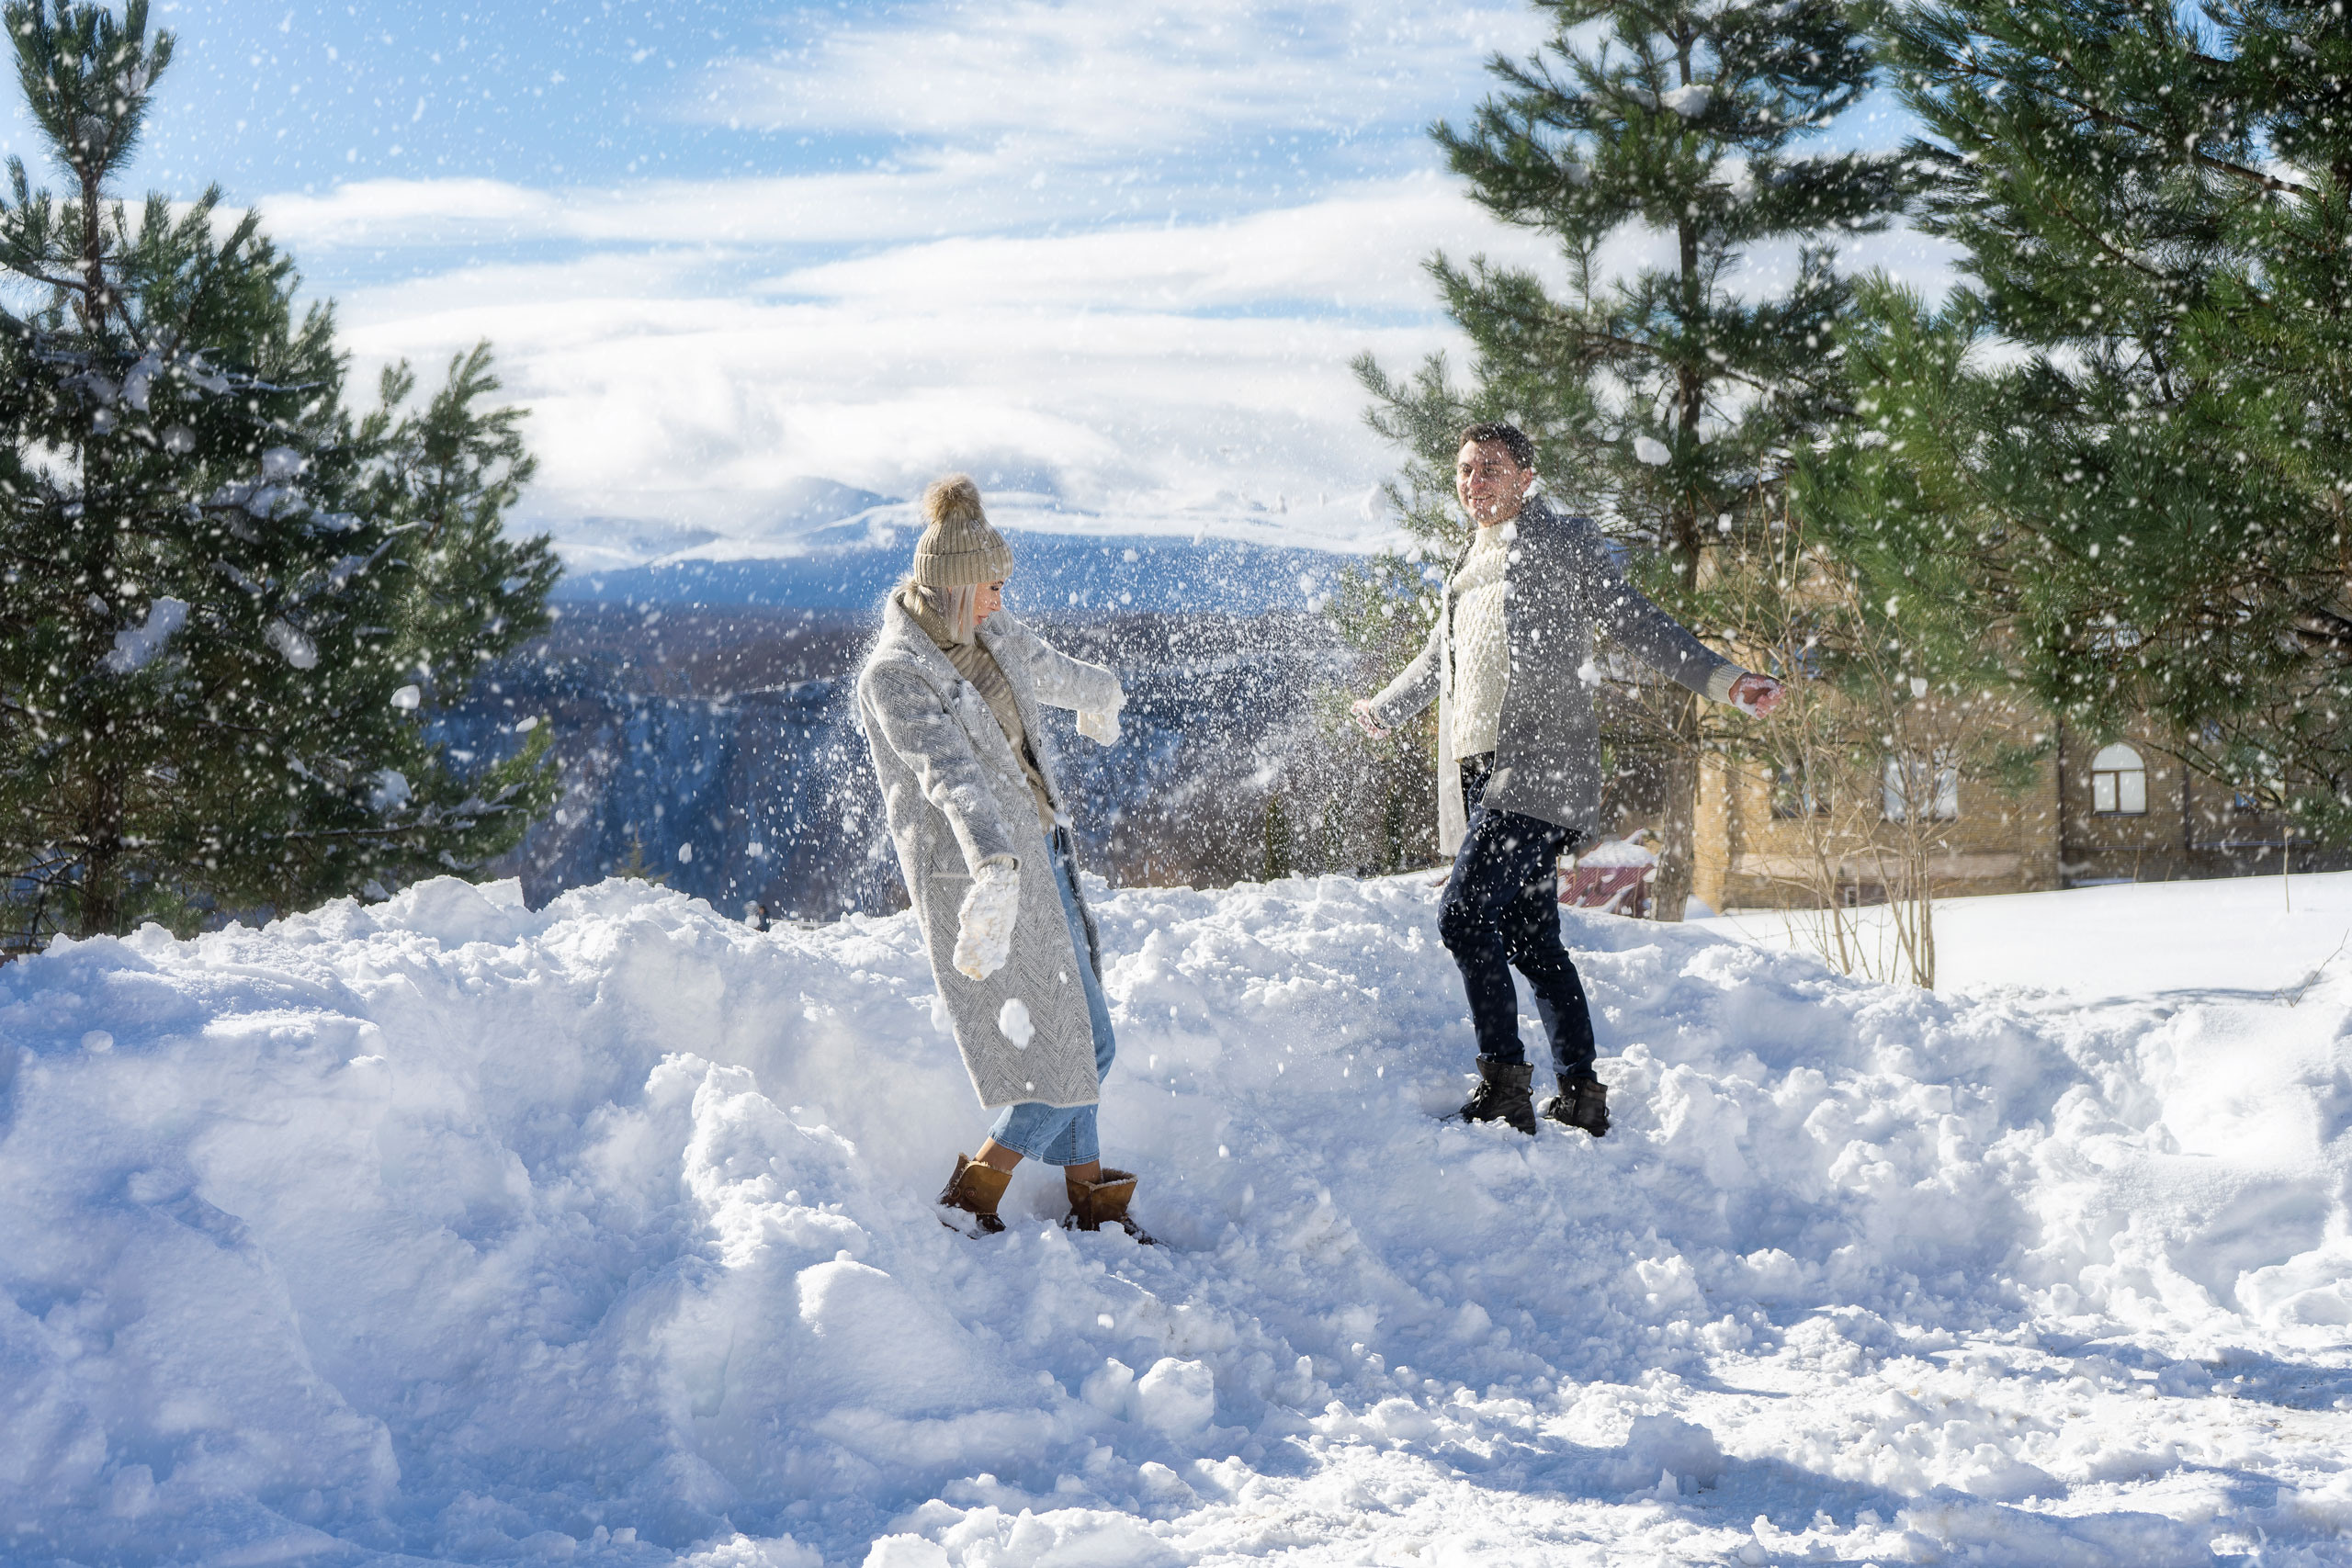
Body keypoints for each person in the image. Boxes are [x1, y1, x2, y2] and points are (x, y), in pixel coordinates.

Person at [1351, 423, 1785, 1136]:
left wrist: (1725, 679)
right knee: (1532, 940)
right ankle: (1581, 1093)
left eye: (1490, 468)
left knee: (1462, 915)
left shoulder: (1561, 543)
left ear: (1527, 477)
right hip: (1482, 773)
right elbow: (1441, 657)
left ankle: (1503, 1085)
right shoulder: (1466, 560)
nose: (1474, 481)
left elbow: (1638, 624)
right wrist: (1384, 710)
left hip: (1542, 769)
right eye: (1464, 469)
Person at [855, 474, 1150, 1239]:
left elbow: (1048, 669)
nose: (998, 599)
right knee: (1072, 1049)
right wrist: (993, 866)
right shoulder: (897, 674)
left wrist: (1104, 693)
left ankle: (1081, 1201)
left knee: (1082, 1043)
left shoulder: (989, 631)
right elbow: (949, 779)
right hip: (981, 879)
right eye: (988, 587)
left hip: (1040, 855)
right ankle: (979, 1196)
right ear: (952, 590)